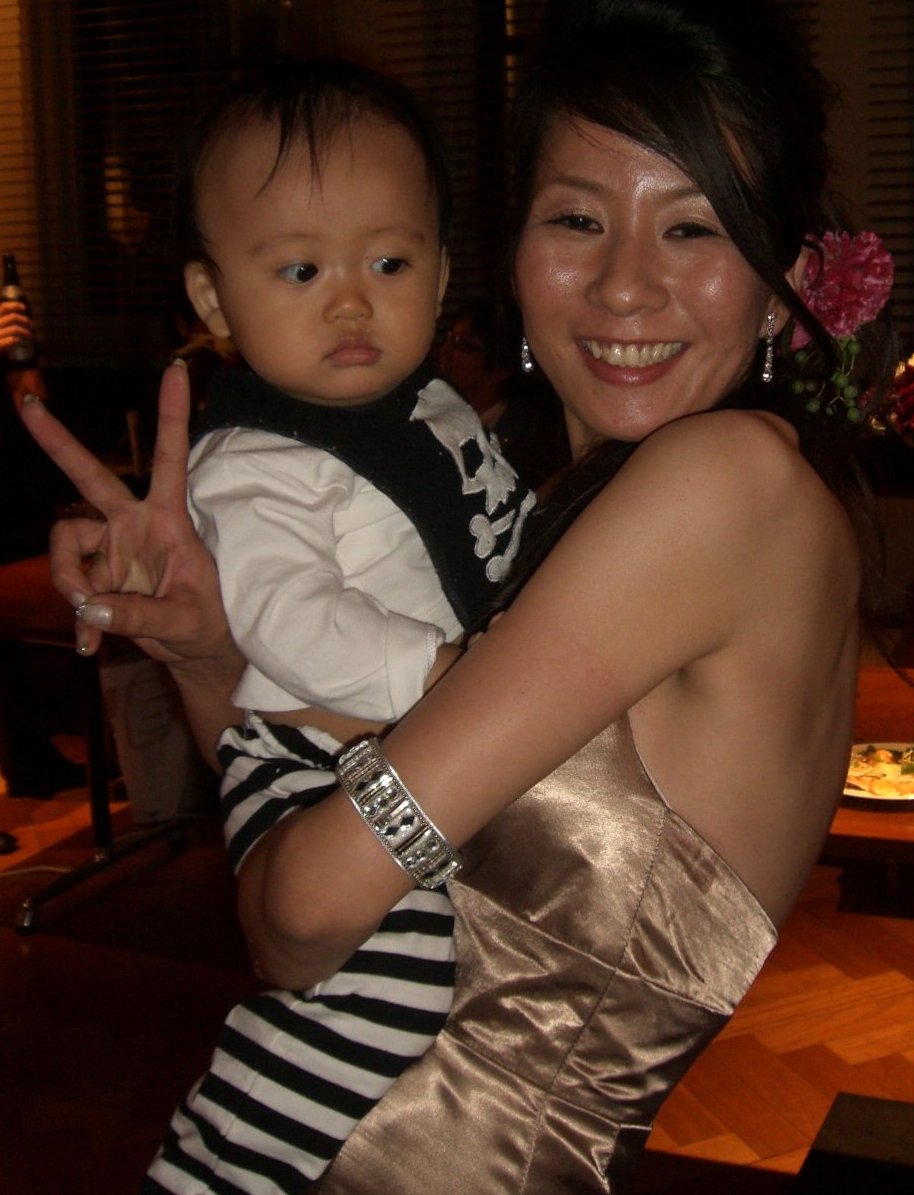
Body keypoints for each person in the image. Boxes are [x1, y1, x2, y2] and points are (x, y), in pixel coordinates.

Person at [22, 0, 897, 1189]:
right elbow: (297, 861)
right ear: (511, 250)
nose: (624, 285)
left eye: (692, 228)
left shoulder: (723, 483)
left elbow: (300, 915)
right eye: (576, 218)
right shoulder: (533, 502)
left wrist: (298, 857)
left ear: (784, 278)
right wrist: (206, 645)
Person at [121, 58, 538, 1191]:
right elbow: (289, 619)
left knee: (438, 1012)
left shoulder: (432, 407)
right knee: (378, 998)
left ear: (441, 272)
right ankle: (223, 1164)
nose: (351, 303)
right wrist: (447, 674)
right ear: (215, 301)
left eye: (388, 263)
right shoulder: (256, 458)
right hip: (316, 764)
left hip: (412, 750)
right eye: (300, 269)